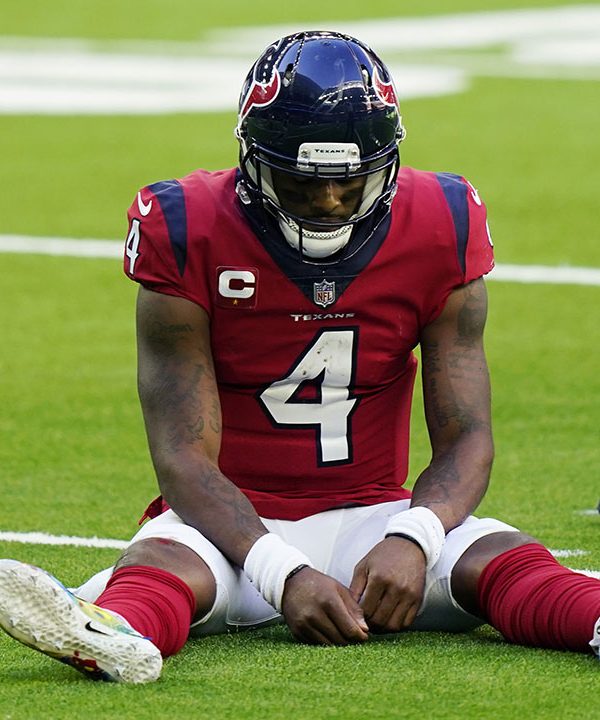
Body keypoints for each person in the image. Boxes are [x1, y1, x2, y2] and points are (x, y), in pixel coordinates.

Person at [0, 31, 599, 684]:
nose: (330, 201)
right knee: (164, 568)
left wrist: (416, 536)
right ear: (253, 161)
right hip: (230, 530)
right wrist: (280, 570)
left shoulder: (440, 220)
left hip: (379, 519)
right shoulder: (189, 226)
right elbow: (182, 458)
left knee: (503, 557)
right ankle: (115, 633)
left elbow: (468, 438)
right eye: (302, 181)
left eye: (350, 180)